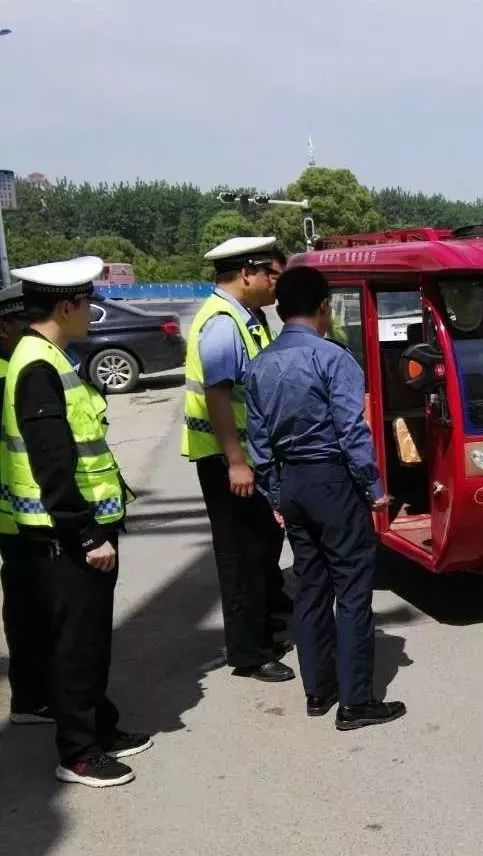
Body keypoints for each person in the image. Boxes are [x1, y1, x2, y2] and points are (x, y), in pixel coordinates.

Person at [2, 256, 149, 787]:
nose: (93, 312)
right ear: (67, 306)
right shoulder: (39, 366)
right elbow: (52, 461)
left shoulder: (46, 356)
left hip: (74, 527)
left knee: (85, 640)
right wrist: (83, 531)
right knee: (76, 644)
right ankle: (79, 752)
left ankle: (98, 726)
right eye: (88, 303)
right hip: (66, 533)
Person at [245, 266, 406, 731]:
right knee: (353, 590)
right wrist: (375, 488)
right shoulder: (333, 359)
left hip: (291, 483)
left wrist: (274, 493)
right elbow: (352, 432)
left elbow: (258, 442)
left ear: (279, 308)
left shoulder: (260, 366)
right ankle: (356, 701)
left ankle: (319, 691)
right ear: (323, 308)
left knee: (310, 587)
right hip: (332, 480)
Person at [181, 236, 294, 683]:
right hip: (230, 461)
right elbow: (218, 396)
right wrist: (236, 462)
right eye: (272, 275)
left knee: (261, 547)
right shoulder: (224, 323)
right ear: (247, 272)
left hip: (250, 457)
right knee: (241, 558)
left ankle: (262, 627)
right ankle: (249, 654)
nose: (275, 285)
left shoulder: (246, 317)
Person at [0, 282, 52, 725]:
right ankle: (32, 698)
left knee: (32, 605)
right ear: (4, 327)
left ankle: (35, 692)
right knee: (28, 606)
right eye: (24, 323)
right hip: (17, 515)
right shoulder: (9, 373)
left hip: (22, 511)